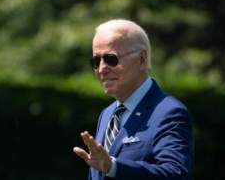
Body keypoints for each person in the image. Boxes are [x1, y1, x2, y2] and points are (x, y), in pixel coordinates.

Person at [73, 19, 193, 180]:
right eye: (96, 61)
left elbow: (176, 174)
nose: (102, 69)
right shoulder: (107, 114)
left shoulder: (169, 112)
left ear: (142, 59)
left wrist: (113, 167)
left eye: (111, 59)